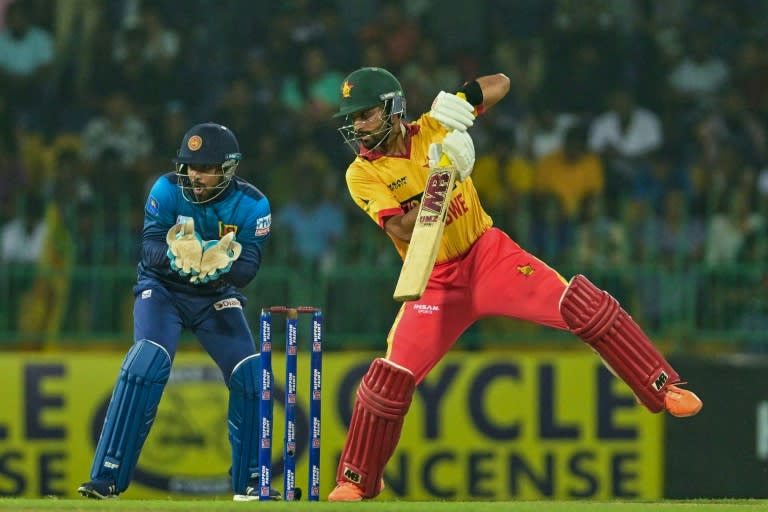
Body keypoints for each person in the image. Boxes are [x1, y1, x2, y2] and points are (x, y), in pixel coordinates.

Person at [328, 67, 703, 502]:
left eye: (365, 115)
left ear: (393, 110)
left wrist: (460, 98)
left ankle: (663, 386)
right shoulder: (361, 174)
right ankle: (356, 480)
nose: (356, 126)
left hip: (489, 256)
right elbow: (404, 231)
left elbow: (502, 83)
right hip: (435, 281)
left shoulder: (435, 124)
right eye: (352, 118)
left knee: (584, 306)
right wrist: (444, 177)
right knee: (387, 379)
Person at [77, 122, 279, 501]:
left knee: (252, 373)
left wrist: (219, 264)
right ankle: (106, 477)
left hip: (215, 295)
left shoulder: (254, 205)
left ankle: (252, 483)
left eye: (205, 167)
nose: (194, 175)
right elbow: (150, 248)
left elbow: (248, 269)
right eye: (189, 166)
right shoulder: (166, 188)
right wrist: (177, 256)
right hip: (163, 289)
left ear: (228, 167)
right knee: (146, 362)